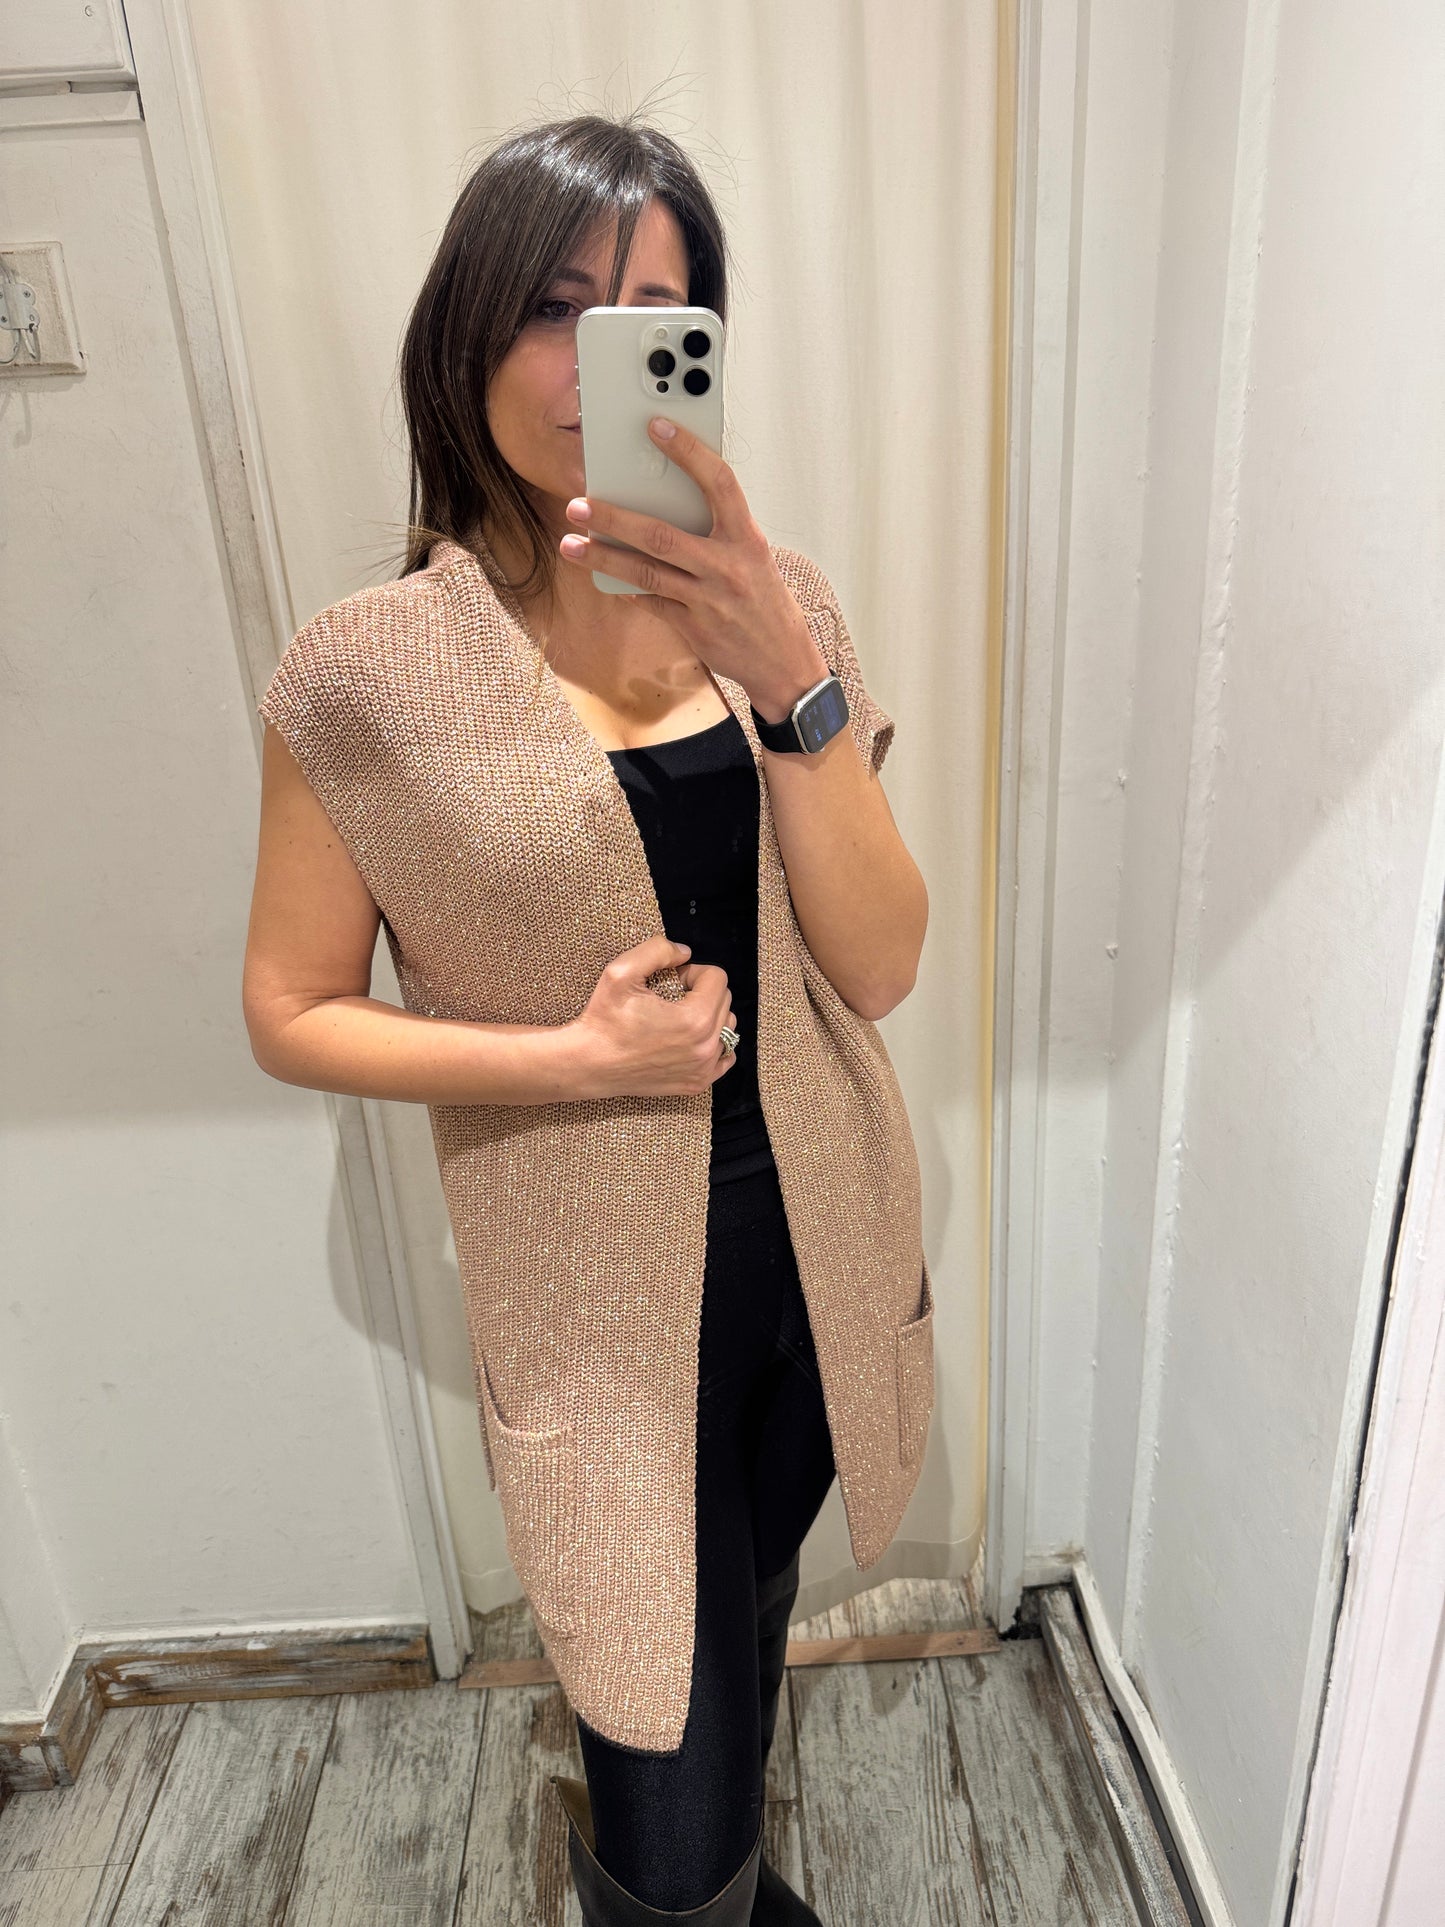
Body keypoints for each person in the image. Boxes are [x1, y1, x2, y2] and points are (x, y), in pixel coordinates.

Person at [244, 112, 933, 1925]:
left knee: (745, 1632)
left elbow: (879, 966)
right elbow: (290, 1009)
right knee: (660, 1738)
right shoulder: (366, 669)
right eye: (553, 308)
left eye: (647, 318)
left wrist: (793, 684)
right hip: (593, 1302)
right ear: (465, 330)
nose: (588, 362)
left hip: (815, 1248)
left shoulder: (779, 612)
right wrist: (571, 1060)